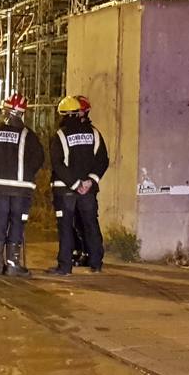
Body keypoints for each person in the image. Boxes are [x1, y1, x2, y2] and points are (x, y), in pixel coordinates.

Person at [45, 95, 109, 275]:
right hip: (88, 190)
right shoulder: (94, 133)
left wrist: (74, 184)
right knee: (90, 223)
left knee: (65, 227)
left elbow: (58, 164)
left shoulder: (60, 135)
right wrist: (90, 181)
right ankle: (96, 263)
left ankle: (65, 266)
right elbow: (102, 160)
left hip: (65, 190)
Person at [0, 93, 44, 277]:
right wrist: (26, 173)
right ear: (23, 113)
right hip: (21, 188)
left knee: (0, 221)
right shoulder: (29, 135)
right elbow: (38, 159)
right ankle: (13, 264)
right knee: (17, 222)